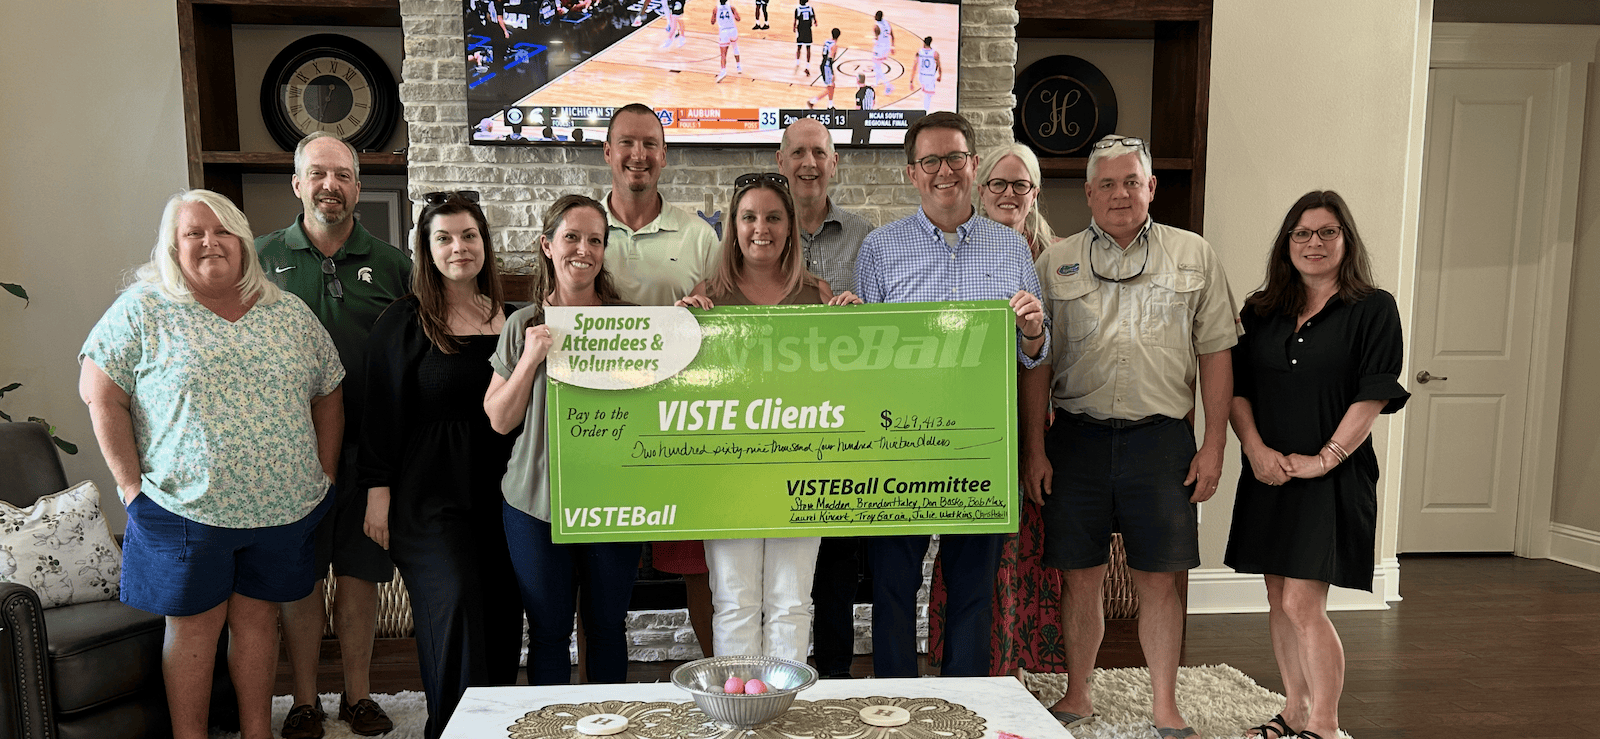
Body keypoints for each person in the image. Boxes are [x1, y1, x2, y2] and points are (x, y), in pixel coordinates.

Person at [79, 189, 343, 739]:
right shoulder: (143, 310)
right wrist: (130, 487)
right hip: (184, 507)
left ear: (244, 243)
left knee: (257, 622)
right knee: (194, 630)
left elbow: (329, 389)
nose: (209, 242)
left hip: (283, 507)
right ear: (172, 248)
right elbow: (100, 393)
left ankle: (257, 732)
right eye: (193, 233)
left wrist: (324, 473)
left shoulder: (286, 312)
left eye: (222, 231)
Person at [1024, 135, 1240, 737]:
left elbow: (1217, 351)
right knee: (1080, 575)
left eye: (1132, 181)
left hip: (1162, 441)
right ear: (1089, 193)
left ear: (1151, 187)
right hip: (1077, 440)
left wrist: (1215, 444)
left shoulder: (1194, 256)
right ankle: (1078, 693)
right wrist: (1035, 449)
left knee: (1160, 580)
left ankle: (1165, 705)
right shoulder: (1055, 261)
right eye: (1107, 184)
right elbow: (1036, 360)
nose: (1120, 193)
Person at [855, 111, 1049, 678]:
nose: (946, 171)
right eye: (932, 161)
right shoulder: (880, 249)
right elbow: (865, 360)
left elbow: (1032, 354)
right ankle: (894, 704)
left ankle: (964, 703)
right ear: (913, 173)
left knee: (973, 591)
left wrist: (1034, 330)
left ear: (972, 165)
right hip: (897, 450)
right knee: (893, 589)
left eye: (956, 159)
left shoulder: (1011, 249)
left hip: (981, 449)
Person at [1227, 191, 1408, 739]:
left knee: (1305, 602)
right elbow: (1236, 390)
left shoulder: (1374, 308)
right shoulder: (1260, 311)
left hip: (1333, 475)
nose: (1314, 243)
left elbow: (1371, 396)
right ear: (1287, 244)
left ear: (1346, 240)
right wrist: (1256, 451)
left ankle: (1325, 726)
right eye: (1302, 233)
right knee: (1278, 599)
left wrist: (1324, 459)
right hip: (1269, 473)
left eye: (1327, 232)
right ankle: (1294, 709)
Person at [257, 131, 411, 739]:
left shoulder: (395, 264)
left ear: (358, 185)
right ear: (297, 184)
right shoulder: (260, 259)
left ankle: (357, 696)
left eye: (343, 175)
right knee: (298, 579)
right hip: (286, 455)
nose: (330, 186)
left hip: (366, 454)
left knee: (358, 576)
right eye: (317, 174)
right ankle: (302, 700)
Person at [676, 172, 860, 661]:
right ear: (733, 227)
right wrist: (678, 329)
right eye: (749, 217)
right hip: (727, 475)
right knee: (734, 602)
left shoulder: (816, 295)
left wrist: (856, 330)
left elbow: (843, 385)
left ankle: (783, 707)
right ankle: (739, 710)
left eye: (774, 217)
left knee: (792, 602)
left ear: (791, 227)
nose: (762, 228)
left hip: (800, 471)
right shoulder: (708, 297)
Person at [357, 191, 521, 739]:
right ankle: (453, 732)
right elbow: (379, 411)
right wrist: (376, 491)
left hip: (505, 497)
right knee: (454, 612)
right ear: (426, 250)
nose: (459, 248)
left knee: (500, 617)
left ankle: (496, 727)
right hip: (427, 500)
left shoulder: (513, 319)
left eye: (469, 236)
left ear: (485, 244)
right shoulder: (403, 321)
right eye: (444, 238)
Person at [486, 194, 644, 685]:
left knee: (607, 629)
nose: (583, 249)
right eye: (571, 237)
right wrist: (532, 358)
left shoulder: (631, 322)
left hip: (612, 503)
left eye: (594, 240)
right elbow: (499, 419)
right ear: (547, 246)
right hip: (535, 503)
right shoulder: (522, 324)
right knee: (549, 632)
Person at [928, 142, 1065, 678]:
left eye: (1021, 185)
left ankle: (1019, 670)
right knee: (972, 564)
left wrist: (1034, 445)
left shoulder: (1051, 258)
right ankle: (969, 668)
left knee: (1026, 558)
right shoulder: (959, 250)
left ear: (1035, 193)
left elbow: (1040, 359)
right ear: (980, 189)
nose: (1009, 194)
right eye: (998, 184)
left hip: (1032, 424)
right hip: (968, 429)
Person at [602, 103, 722, 658]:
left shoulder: (700, 235)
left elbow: (727, 318)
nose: (638, 154)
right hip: (604, 420)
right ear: (607, 152)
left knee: (697, 563)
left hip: (684, 425)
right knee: (603, 565)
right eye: (627, 142)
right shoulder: (583, 228)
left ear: (664, 156)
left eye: (650, 144)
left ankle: (721, 676)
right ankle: (600, 687)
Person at [772, 117, 872, 676]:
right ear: (781, 162)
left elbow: (883, 327)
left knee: (835, 572)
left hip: (841, 430)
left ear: (835, 163)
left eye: (820, 152)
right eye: (798, 153)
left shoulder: (867, 238)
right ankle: (766, 688)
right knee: (776, 580)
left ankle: (832, 687)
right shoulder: (752, 230)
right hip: (768, 427)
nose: (809, 163)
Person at [808, 29, 844, 109]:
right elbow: (830, 58)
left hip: (823, 63)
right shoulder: (834, 46)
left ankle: (830, 105)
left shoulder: (826, 41)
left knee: (831, 86)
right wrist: (831, 72)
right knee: (830, 87)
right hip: (827, 66)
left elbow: (823, 54)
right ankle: (813, 101)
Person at [713, 0, 742, 82]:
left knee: (723, 54)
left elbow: (712, 21)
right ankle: (738, 66)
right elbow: (738, 19)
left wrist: (716, 16)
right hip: (733, 30)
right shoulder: (731, 7)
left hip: (724, 31)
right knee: (735, 46)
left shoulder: (716, 9)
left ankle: (723, 71)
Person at [916, 37, 941, 112]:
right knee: (928, 95)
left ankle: (924, 109)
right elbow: (938, 65)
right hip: (930, 76)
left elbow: (915, 65)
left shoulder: (919, 52)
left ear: (924, 42)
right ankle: (925, 111)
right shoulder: (934, 53)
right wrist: (939, 75)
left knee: (925, 94)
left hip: (922, 75)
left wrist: (911, 80)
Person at [871, 11, 894, 93]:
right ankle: (876, 83)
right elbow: (892, 35)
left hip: (880, 47)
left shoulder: (876, 26)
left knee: (877, 67)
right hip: (887, 47)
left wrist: (874, 42)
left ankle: (888, 85)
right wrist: (892, 47)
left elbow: (876, 38)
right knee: (878, 66)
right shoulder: (887, 23)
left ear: (877, 16)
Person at [793, 0, 816, 74]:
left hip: (801, 30)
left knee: (799, 47)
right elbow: (814, 18)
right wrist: (815, 22)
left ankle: (797, 63)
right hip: (808, 29)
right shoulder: (810, 8)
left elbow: (795, 20)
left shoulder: (798, 9)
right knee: (808, 48)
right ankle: (807, 66)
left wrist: (794, 27)